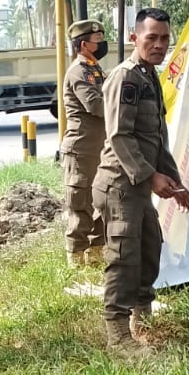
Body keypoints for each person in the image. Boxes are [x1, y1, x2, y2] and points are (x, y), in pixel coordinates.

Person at [93, 8, 189, 352]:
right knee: (124, 255)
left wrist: (174, 182)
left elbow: (155, 137)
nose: (160, 44)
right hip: (120, 185)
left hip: (139, 184)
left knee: (150, 249)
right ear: (134, 38)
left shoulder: (148, 75)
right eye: (152, 37)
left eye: (165, 38)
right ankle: (118, 337)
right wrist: (152, 178)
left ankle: (141, 318)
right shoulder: (125, 78)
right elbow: (120, 135)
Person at [61, 17, 108, 267]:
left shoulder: (96, 69)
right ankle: (77, 256)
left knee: (101, 199)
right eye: (96, 40)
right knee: (80, 203)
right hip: (81, 149)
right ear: (83, 45)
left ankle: (97, 250)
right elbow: (95, 104)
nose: (101, 43)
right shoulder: (79, 72)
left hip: (100, 148)